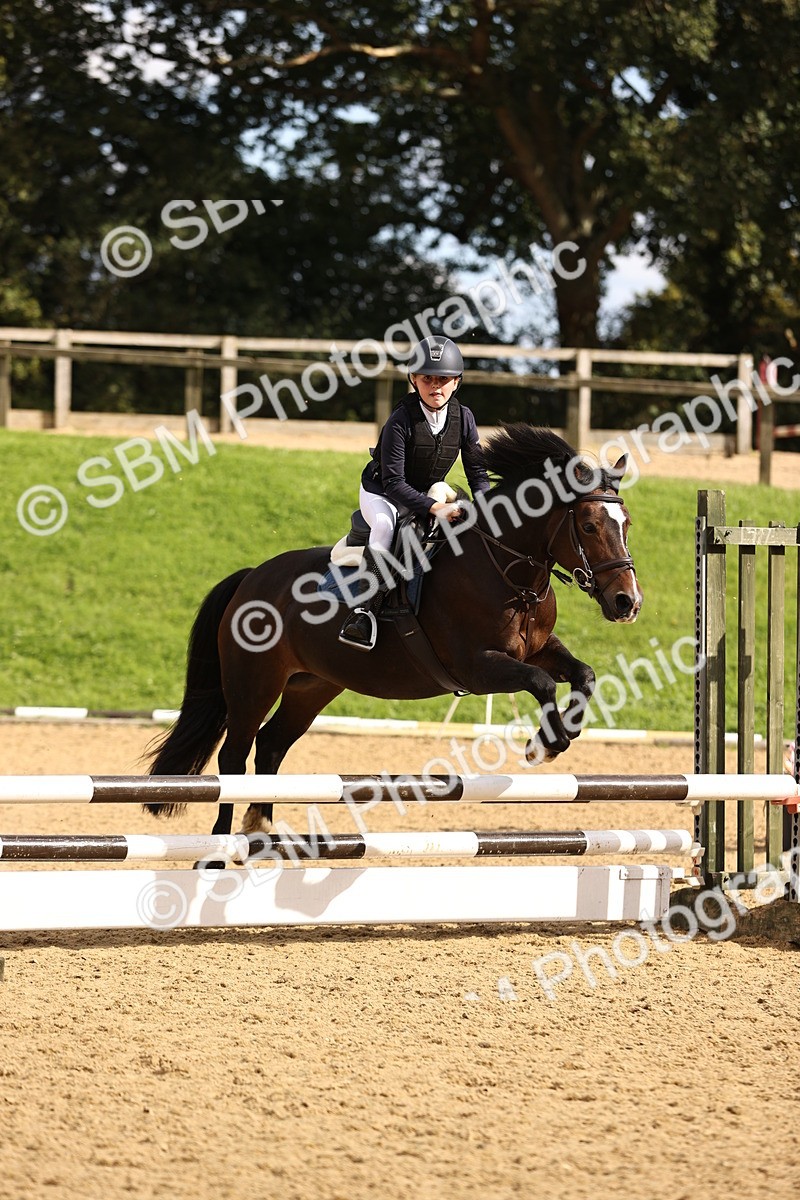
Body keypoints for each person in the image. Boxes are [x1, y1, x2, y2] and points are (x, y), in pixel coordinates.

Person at [338, 335, 490, 651]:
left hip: (424, 490)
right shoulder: (400, 420)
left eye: (444, 379)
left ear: (457, 382)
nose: (436, 386)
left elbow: (476, 471)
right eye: (427, 379)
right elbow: (394, 483)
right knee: (385, 525)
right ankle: (364, 612)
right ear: (413, 380)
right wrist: (434, 508)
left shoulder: (464, 418)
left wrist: (488, 507)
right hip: (382, 492)